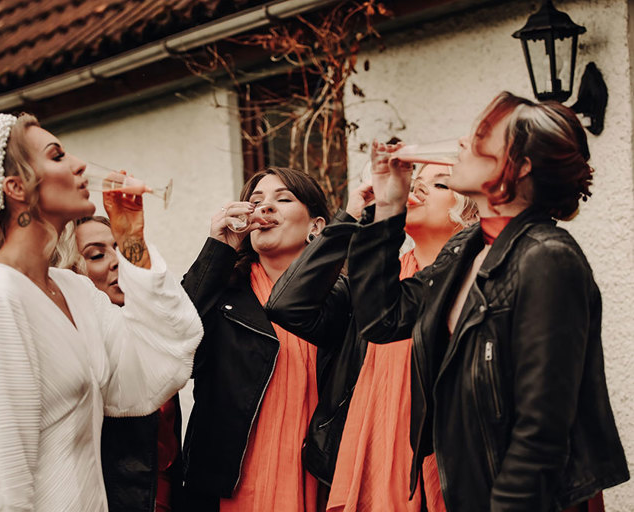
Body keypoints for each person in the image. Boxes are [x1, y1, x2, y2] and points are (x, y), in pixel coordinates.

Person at [344, 92, 629, 511]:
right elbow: (382, 317)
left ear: (517, 167)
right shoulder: (467, 247)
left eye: (479, 137)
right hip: (474, 490)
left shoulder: (547, 257)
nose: (461, 143)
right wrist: (387, 206)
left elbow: (543, 426)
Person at [0, 113, 203, 511]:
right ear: (16, 187)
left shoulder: (76, 290)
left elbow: (152, 373)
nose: (79, 164)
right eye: (57, 155)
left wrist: (131, 239)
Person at [265, 163, 477, 512]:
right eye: (415, 182)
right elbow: (289, 306)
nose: (417, 189)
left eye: (438, 184)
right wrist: (351, 217)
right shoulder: (374, 291)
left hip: (448, 477)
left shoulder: (475, 286)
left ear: (469, 211)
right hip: (363, 476)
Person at [181, 166, 331, 512]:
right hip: (231, 486)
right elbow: (174, 341)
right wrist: (218, 250)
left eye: (283, 199)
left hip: (318, 478)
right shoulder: (222, 293)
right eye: (256, 201)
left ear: (316, 227)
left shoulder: (340, 300)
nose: (265, 208)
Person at [55, 215, 183, 512]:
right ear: (70, 272)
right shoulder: (78, 347)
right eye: (97, 255)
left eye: (121, 250)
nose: (117, 262)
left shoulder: (148, 330)